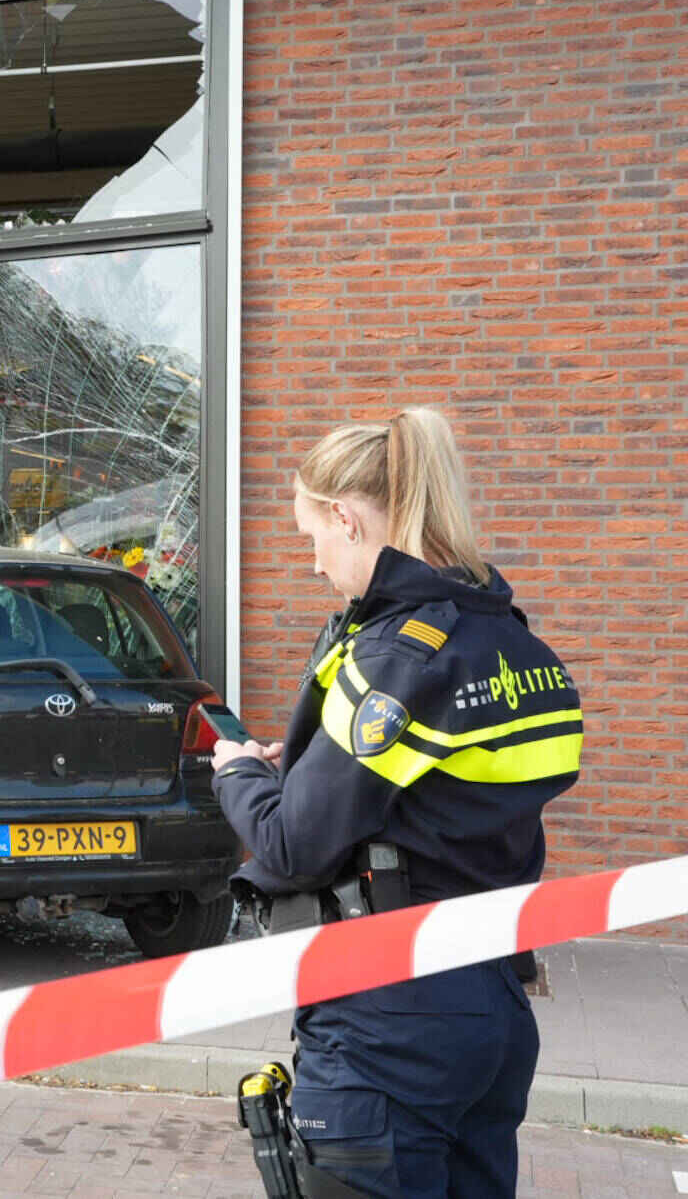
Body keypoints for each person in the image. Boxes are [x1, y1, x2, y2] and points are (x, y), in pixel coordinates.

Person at [212, 407, 581, 1199]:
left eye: (311, 536)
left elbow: (289, 846)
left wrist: (238, 772)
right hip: (490, 1004)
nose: (313, 564)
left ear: (346, 518)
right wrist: (318, 765)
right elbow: (442, 795)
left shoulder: (393, 656)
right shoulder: (515, 646)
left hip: (388, 1015)